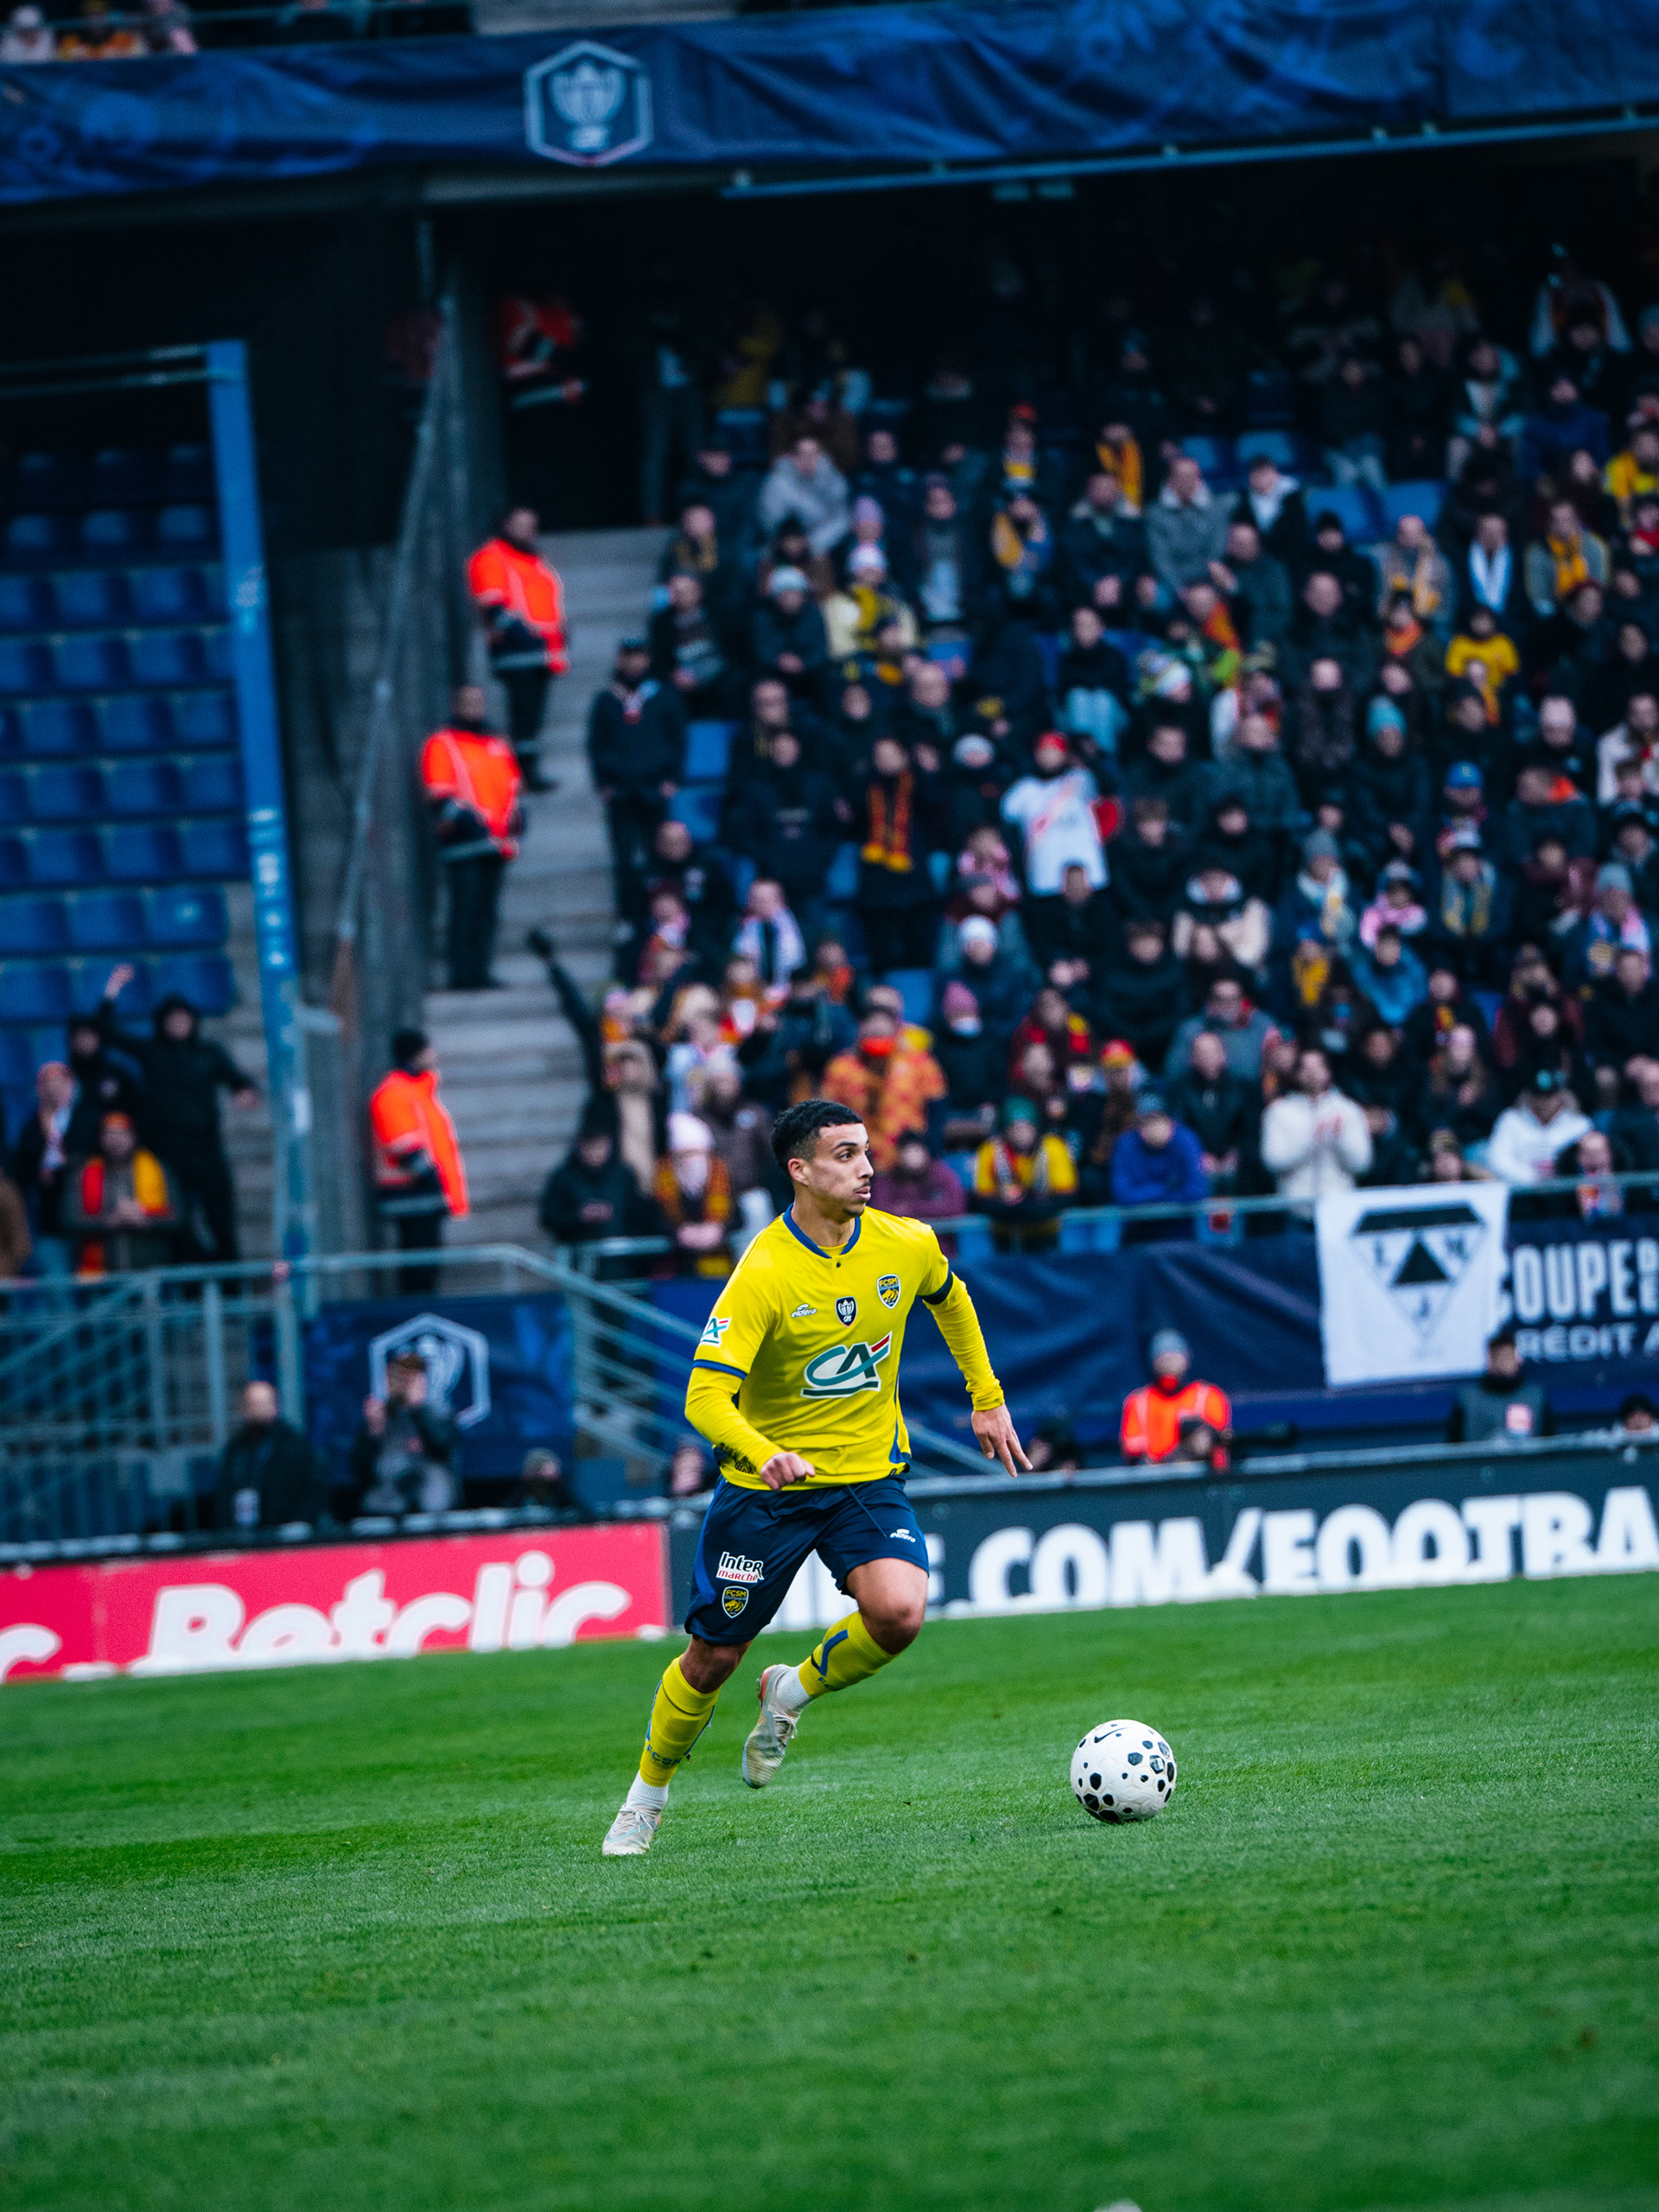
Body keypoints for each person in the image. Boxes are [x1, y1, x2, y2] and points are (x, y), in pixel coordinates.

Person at [601, 1098, 1027, 1856]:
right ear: (799, 1170)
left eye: (866, 1151)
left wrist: (987, 1398)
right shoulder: (764, 1272)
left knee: (899, 1612)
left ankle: (790, 1691)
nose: (866, 1168)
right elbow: (703, 1395)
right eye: (844, 1155)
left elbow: (951, 1299)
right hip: (767, 1492)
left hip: (865, 1475)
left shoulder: (907, 1243)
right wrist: (760, 1449)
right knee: (713, 1658)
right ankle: (646, 1797)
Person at [97, 966, 258, 1264]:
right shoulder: (151, 1052)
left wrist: (246, 1091)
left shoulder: (209, 1053)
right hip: (168, 1155)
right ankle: (192, 1283)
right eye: (172, 1020)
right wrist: (112, 991)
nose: (178, 1025)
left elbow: (238, 1080)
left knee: (221, 1222)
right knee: (179, 1225)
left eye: (183, 1019)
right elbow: (108, 1033)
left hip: (206, 1151)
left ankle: (231, 1285)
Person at [420, 683, 524, 992]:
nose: (473, 708)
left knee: (487, 911)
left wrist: (518, 818)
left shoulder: (496, 742)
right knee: (465, 908)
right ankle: (462, 974)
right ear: (455, 706)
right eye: (466, 702)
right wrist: (473, 823)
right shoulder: (443, 743)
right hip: (464, 842)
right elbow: (439, 793)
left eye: (477, 701)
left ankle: (481, 970)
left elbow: (512, 786)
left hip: (496, 843)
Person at [587, 638, 687, 931]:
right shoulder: (607, 699)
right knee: (625, 859)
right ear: (620, 660)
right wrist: (603, 782)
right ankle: (628, 919)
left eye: (639, 656)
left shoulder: (663, 696)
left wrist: (673, 778)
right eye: (628, 656)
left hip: (655, 790)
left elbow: (678, 738)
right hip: (620, 792)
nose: (634, 662)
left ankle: (662, 917)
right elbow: (596, 743)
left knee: (660, 857)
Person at [467, 508, 569, 789]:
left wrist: (559, 638)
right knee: (523, 714)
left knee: (533, 717)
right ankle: (524, 773)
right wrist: (523, 635)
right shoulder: (492, 557)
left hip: (542, 651)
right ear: (506, 525)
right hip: (517, 651)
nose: (526, 531)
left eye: (531, 526)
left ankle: (529, 770)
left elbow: (548, 602)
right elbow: (493, 604)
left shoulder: (535, 560)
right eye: (520, 525)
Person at [368, 1030, 468, 1293]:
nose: (433, 1056)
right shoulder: (394, 1093)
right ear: (417, 1054)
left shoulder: (418, 1092)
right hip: (411, 1194)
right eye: (428, 1050)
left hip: (424, 1194)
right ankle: (415, 1309)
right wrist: (433, 1180)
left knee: (427, 1264)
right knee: (418, 1265)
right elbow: (404, 1145)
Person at [61, 1111, 180, 1274]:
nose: (115, 1141)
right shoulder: (84, 1172)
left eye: (121, 1134)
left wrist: (143, 1218)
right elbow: (69, 1219)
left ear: (133, 1137)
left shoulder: (159, 1169)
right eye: (110, 1135)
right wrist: (109, 1221)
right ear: (101, 1139)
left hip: (152, 1271)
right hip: (102, 1273)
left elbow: (177, 1216)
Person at [1258, 1046, 1373, 1203]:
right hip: (1294, 1207)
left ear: (1329, 1071)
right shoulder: (1278, 1112)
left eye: (1318, 1067)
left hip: (1339, 1206)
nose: (1312, 1073)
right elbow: (1273, 1161)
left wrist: (1340, 1138)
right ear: (1296, 1073)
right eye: (1306, 1068)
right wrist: (1312, 1139)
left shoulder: (1348, 1110)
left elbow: (1362, 1164)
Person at [351, 1351, 459, 1516]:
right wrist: (373, 1431)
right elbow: (360, 1470)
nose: (411, 1384)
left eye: (416, 1377)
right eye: (404, 1378)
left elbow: (443, 1447)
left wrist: (417, 1411)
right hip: (388, 1504)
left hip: (432, 1503)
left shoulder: (438, 1414)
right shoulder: (380, 1417)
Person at [215, 1380, 327, 1535]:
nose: (257, 1410)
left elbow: (314, 1489)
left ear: (274, 1406)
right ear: (243, 1408)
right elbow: (224, 1493)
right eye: (252, 1404)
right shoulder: (235, 1448)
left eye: (263, 1404)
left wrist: (299, 1523)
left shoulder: (293, 1444)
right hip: (243, 1531)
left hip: (285, 1533)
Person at [971, 1094, 1077, 1251]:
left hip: (1046, 1230)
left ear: (1036, 1127)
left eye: (1027, 1128)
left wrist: (1028, 1207)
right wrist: (1013, 1208)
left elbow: (1065, 1196)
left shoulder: (1053, 1147)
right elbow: (983, 1199)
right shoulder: (990, 1151)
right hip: (1004, 1233)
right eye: (1015, 1129)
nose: (1021, 1134)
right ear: (1005, 1130)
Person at [1119, 1329, 1231, 1469]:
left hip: (1202, 1477)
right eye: (1163, 1356)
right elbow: (1132, 1449)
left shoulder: (1208, 1397)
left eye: (1175, 1355)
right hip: (1155, 1476)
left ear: (1186, 1359)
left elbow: (1220, 1441)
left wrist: (1200, 1439)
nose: (1169, 1362)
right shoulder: (1139, 1402)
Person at [1447, 1326, 1554, 1444]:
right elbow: (1453, 1448)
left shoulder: (1536, 1398)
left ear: (1518, 1359)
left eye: (1509, 1356)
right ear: (1490, 1361)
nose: (1505, 1363)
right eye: (1500, 1356)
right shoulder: (1467, 1401)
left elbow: (1551, 1446)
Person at [1485, 1069, 1592, 1185]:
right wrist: (1533, 1178)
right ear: (1529, 1096)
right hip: (1522, 1190)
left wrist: (1560, 1176)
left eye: (1549, 1096)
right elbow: (1498, 1161)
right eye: (1538, 1096)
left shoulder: (1579, 1124)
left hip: (1569, 1190)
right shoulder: (1510, 1120)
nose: (1543, 1102)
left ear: (1561, 1096)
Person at [869, 1132, 966, 1224]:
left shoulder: (941, 1174)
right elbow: (879, 1211)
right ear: (898, 1153)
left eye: (918, 1150)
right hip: (900, 1233)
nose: (914, 1155)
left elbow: (955, 1208)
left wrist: (911, 1208)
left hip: (938, 1234)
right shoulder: (888, 1176)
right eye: (907, 1150)